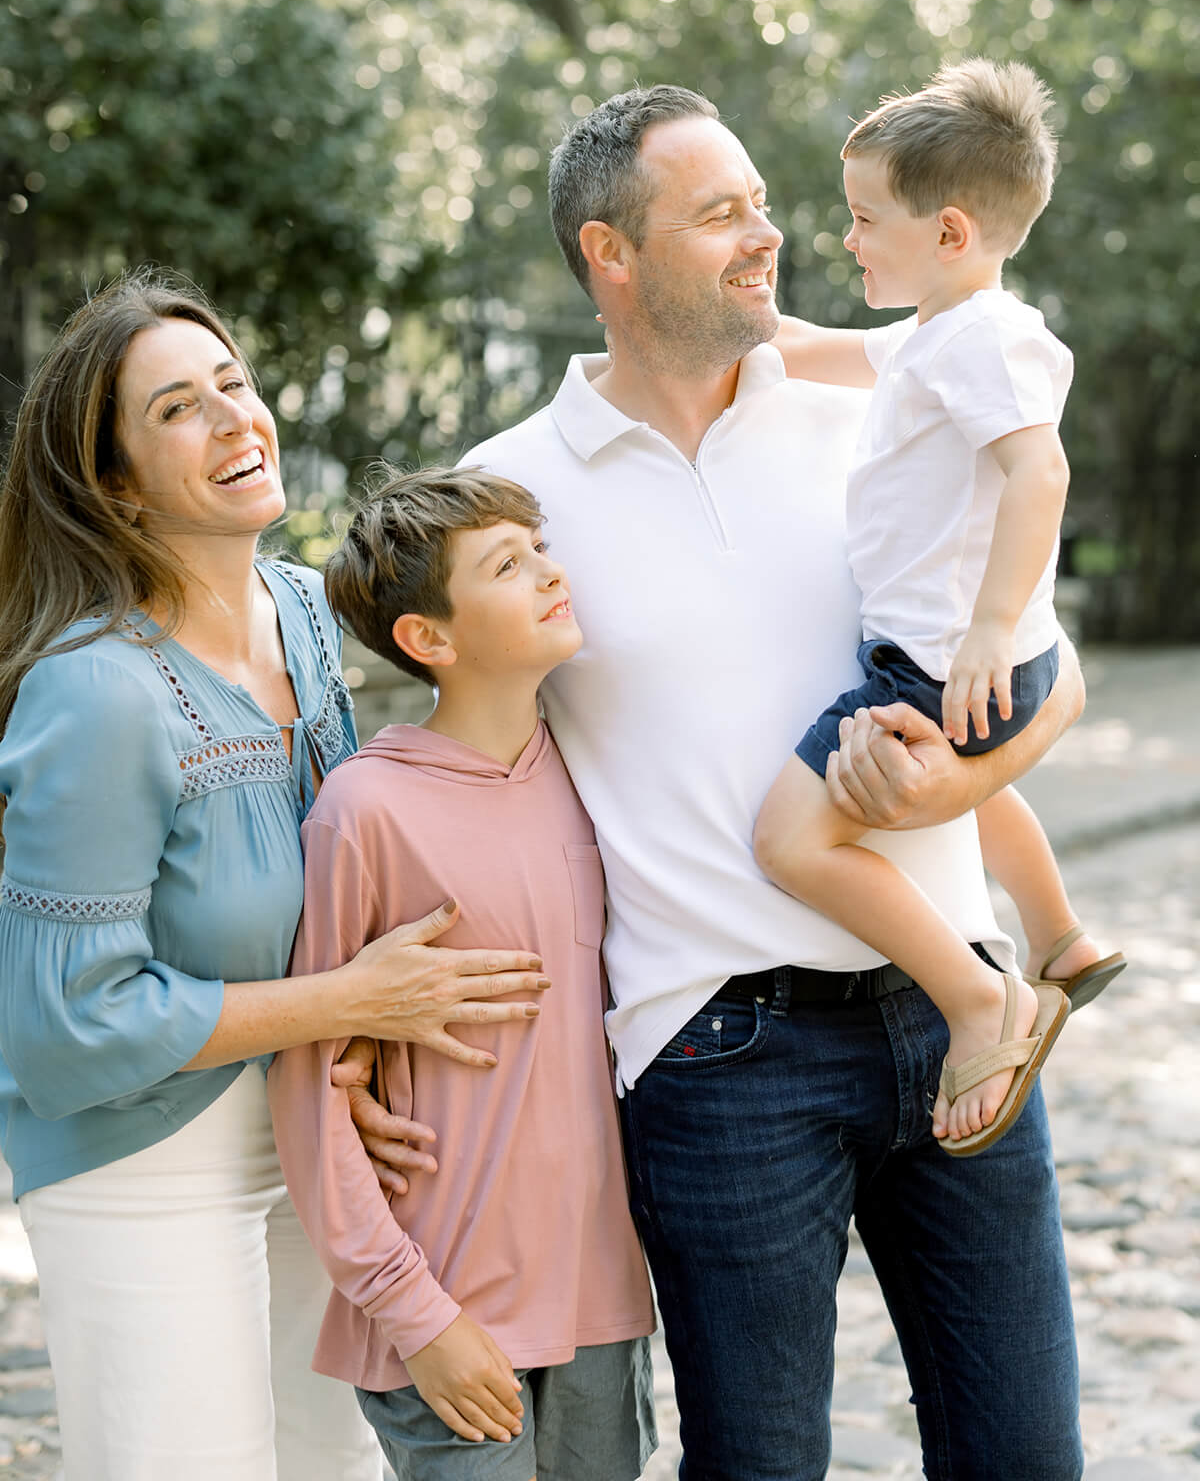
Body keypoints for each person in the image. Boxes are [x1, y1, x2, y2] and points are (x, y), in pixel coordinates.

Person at [417, 84, 1083, 1481]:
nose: (769, 235)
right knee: (759, 1467)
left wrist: (958, 790)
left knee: (1027, 1459)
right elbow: (473, 788)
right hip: (722, 1058)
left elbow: (1046, 669)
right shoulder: (507, 496)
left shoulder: (887, 407)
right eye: (720, 212)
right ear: (610, 251)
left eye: (765, 203)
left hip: (960, 1010)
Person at [0, 274, 551, 1481]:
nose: (236, 420)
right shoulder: (93, 692)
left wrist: (347, 1062)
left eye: (236, 385)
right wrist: (348, 1006)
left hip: (320, 1130)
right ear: (112, 483)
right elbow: (61, 1027)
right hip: (141, 1158)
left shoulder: (305, 610)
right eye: (179, 410)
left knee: (335, 1470)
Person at [753, 59, 1124, 1154]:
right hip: (948, 654)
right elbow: (809, 352)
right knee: (969, 796)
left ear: (951, 232)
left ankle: (982, 1000)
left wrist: (990, 631)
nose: (850, 241)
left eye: (866, 220)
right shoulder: (934, 334)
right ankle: (1057, 939)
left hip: (944, 662)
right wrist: (725, 312)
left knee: (789, 839)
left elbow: (1040, 474)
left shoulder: (981, 340)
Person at [268, 465, 657, 1481]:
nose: (547, 573)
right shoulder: (366, 810)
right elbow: (313, 1085)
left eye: (539, 550)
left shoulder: (597, 774)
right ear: (429, 639)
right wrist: (413, 1312)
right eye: (506, 564)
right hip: (443, 1309)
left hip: (599, 1301)